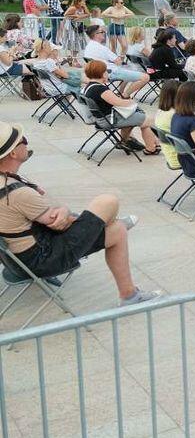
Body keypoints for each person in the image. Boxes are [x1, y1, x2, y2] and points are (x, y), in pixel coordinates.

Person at [0, 123, 158, 304]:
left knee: (118, 230)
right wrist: (64, 211)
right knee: (107, 202)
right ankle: (104, 226)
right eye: (23, 140)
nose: (27, 143)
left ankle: (130, 295)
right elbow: (59, 224)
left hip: (14, 261)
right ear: (13, 153)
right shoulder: (17, 193)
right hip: (40, 261)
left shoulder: (8, 184)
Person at [80, 60, 162, 155]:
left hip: (103, 118)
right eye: (106, 71)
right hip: (110, 120)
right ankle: (151, 148)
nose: (107, 73)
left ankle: (126, 142)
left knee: (137, 118)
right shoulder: (100, 89)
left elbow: (112, 101)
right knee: (147, 121)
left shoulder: (89, 87)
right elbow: (120, 103)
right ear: (101, 74)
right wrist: (131, 101)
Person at [82, 24, 150, 98]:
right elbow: (118, 61)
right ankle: (125, 95)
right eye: (102, 32)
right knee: (145, 77)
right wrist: (121, 56)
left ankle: (120, 92)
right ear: (96, 34)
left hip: (100, 72)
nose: (104, 33)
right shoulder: (101, 48)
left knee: (129, 69)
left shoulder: (88, 47)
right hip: (111, 72)